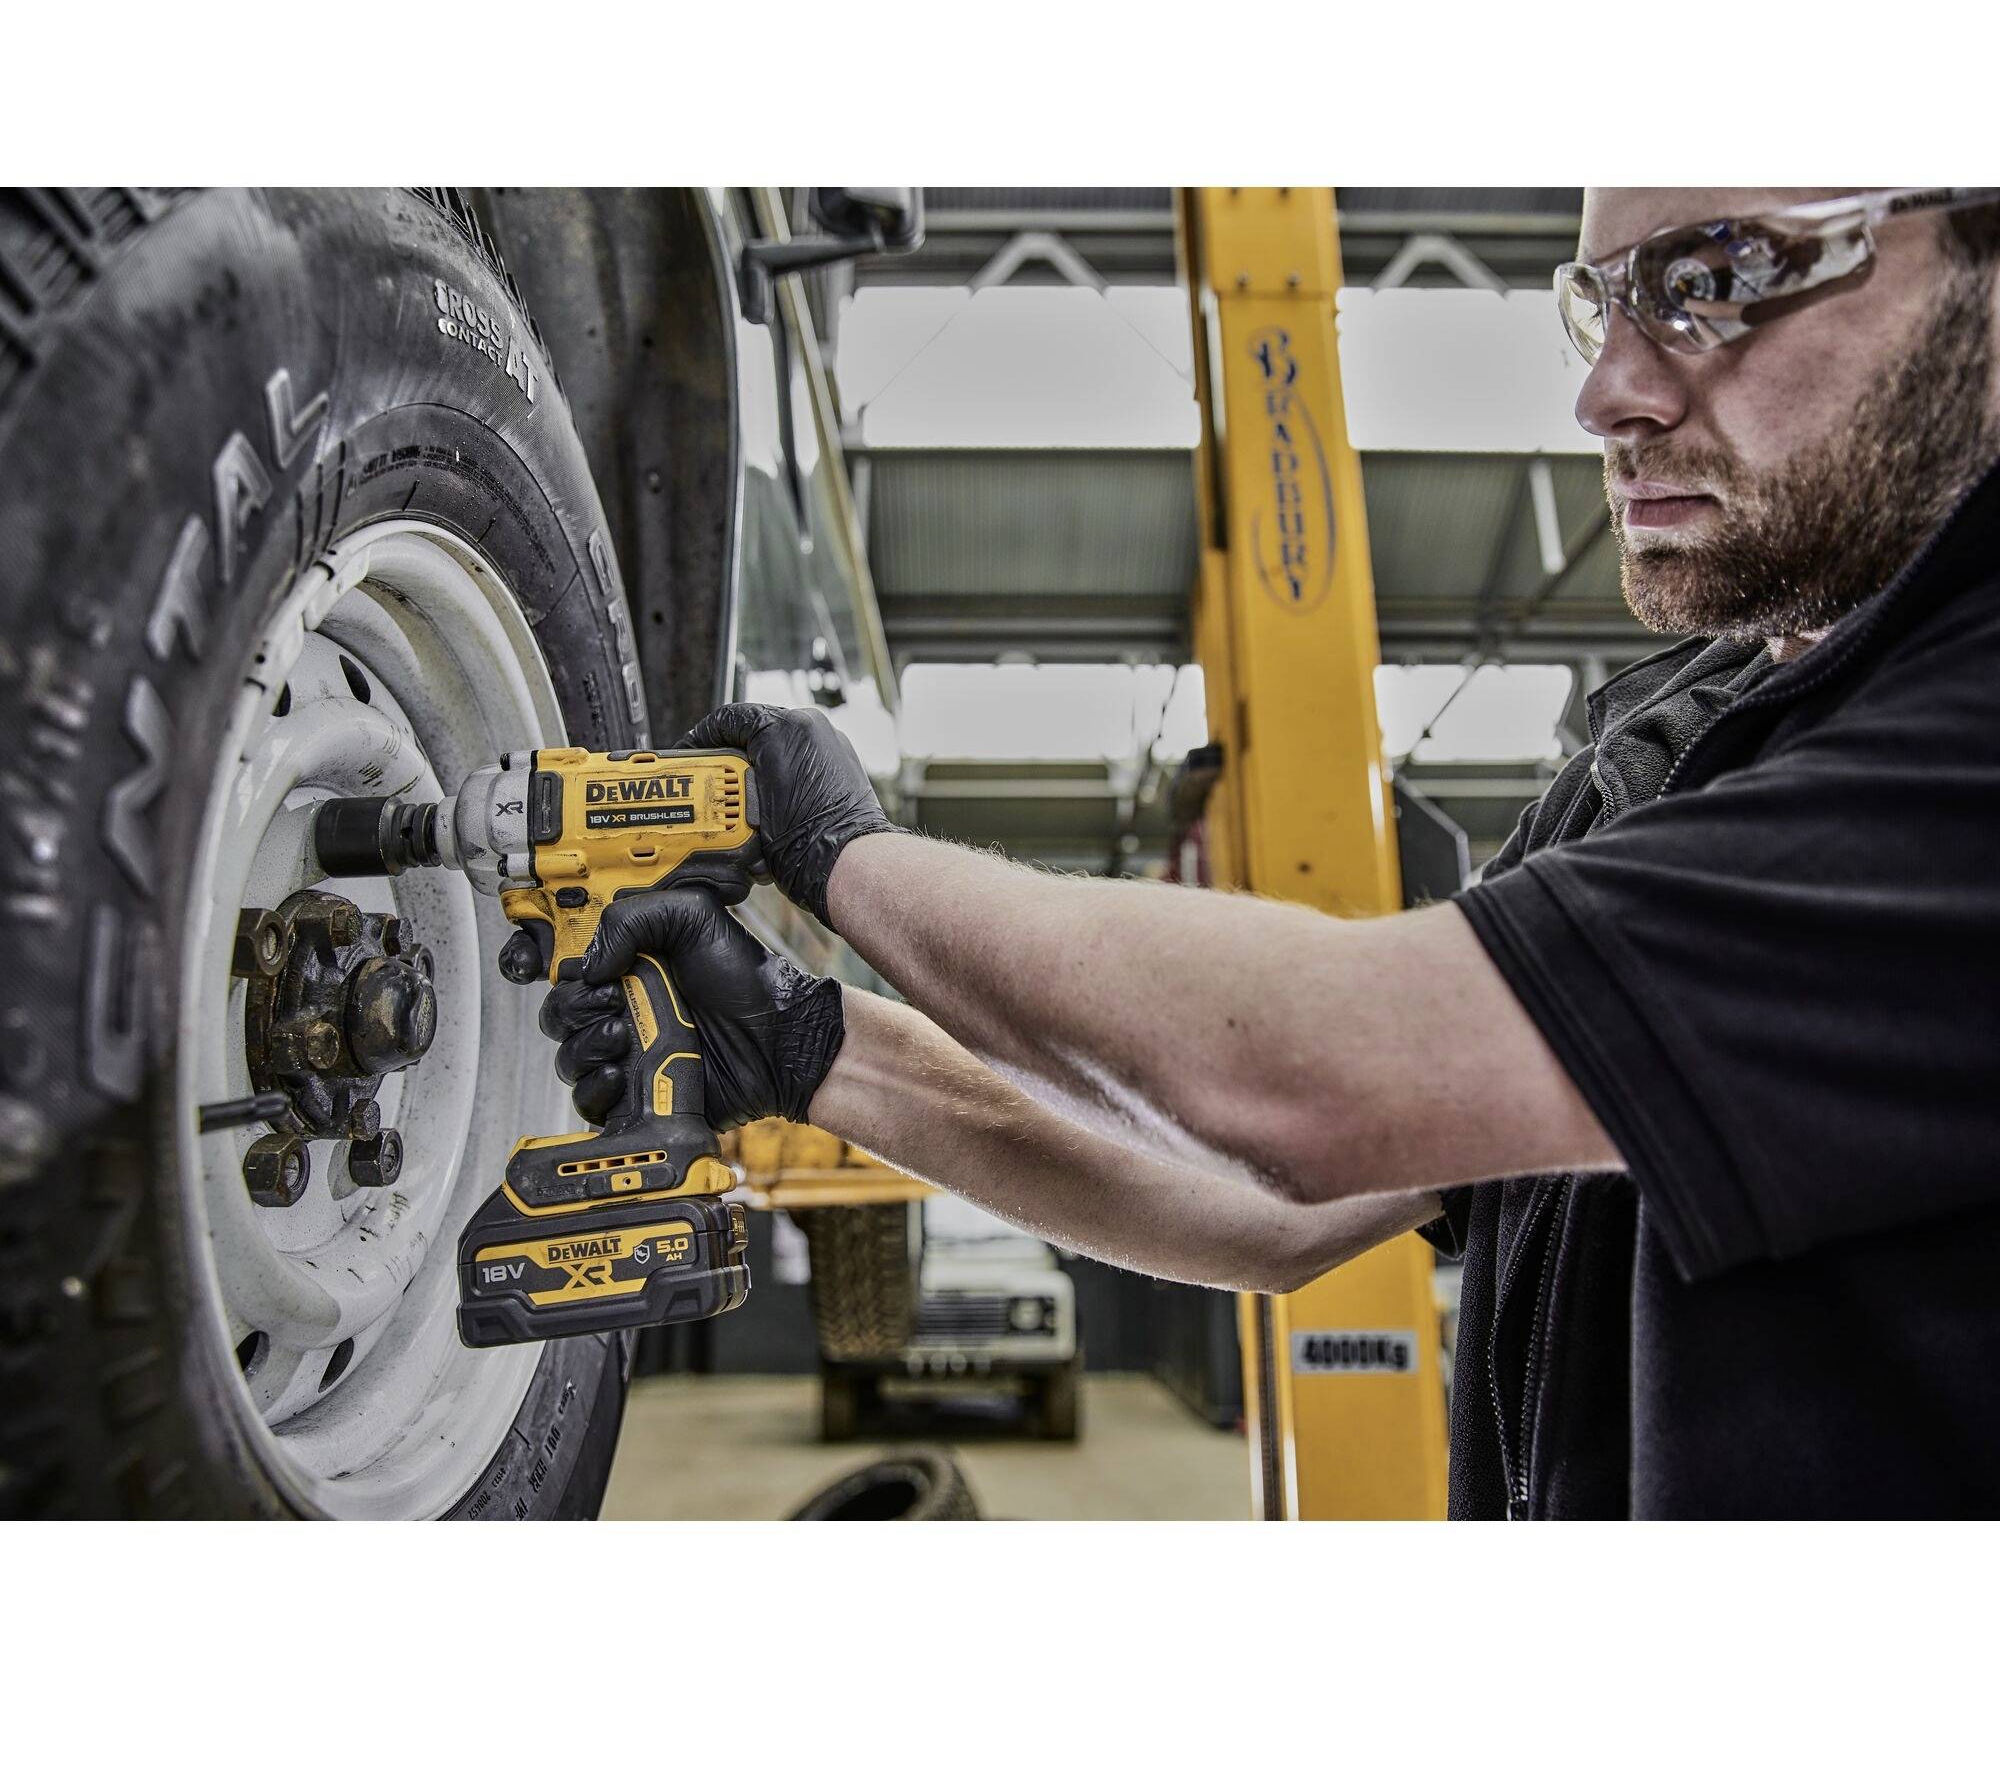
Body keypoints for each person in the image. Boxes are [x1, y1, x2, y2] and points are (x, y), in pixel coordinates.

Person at [528, 188, 2000, 1519]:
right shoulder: (1663, 761)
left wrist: (845, 854)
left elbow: (1314, 1080)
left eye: (1716, 279)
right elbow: (1278, 1204)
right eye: (1599, 303)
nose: (1607, 389)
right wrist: (814, 1045)